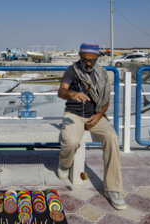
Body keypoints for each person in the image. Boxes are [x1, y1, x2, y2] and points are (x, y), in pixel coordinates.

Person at [57, 41, 126, 210]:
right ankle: (64, 164)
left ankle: (113, 189)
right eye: (84, 59)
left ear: (97, 58)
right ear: (80, 57)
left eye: (91, 60)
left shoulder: (102, 74)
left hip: (95, 115)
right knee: (72, 141)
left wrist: (100, 115)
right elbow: (61, 92)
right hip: (73, 114)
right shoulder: (72, 71)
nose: (87, 63)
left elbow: (106, 100)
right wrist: (72, 94)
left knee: (111, 138)